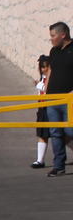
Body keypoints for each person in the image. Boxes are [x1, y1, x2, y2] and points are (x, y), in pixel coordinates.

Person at [45, 22, 73, 177]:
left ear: (63, 35)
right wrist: (45, 94)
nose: (51, 39)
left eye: (53, 36)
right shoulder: (54, 51)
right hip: (53, 100)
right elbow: (50, 71)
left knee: (70, 130)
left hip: (70, 100)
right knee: (55, 133)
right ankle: (59, 166)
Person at [33, 55, 52, 169]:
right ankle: (40, 160)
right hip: (42, 108)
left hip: (50, 107)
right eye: (41, 67)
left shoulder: (51, 78)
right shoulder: (42, 78)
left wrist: (38, 85)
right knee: (42, 134)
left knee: (63, 135)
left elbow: (46, 89)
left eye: (45, 67)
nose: (43, 69)